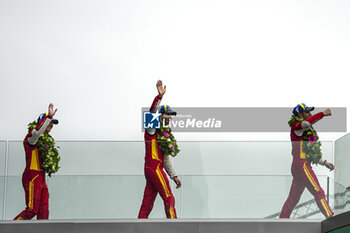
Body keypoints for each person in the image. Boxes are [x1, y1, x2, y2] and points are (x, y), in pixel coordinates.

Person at [280, 103, 334, 218]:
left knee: (292, 200)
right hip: (302, 165)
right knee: (318, 191)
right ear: (300, 114)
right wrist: (323, 114)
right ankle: (330, 217)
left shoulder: (304, 131)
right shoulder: (297, 126)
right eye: (307, 112)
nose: (310, 114)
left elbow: (311, 153)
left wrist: (325, 163)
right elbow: (307, 122)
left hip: (299, 167)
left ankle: (282, 222)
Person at [138, 80, 182, 219]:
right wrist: (159, 97)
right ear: (160, 116)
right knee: (168, 196)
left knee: (147, 203)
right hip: (154, 168)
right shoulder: (152, 129)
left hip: (154, 168)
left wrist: (173, 176)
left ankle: (139, 226)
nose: (169, 117)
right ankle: (174, 225)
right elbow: (151, 113)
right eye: (167, 115)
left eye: (170, 115)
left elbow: (166, 159)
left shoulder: (164, 135)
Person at [14, 103, 58, 220]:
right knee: (31, 210)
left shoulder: (46, 142)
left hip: (42, 178)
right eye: (50, 123)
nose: (52, 125)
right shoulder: (31, 137)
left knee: (43, 213)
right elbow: (37, 132)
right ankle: (9, 229)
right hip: (32, 176)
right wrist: (48, 116)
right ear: (41, 122)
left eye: (53, 123)